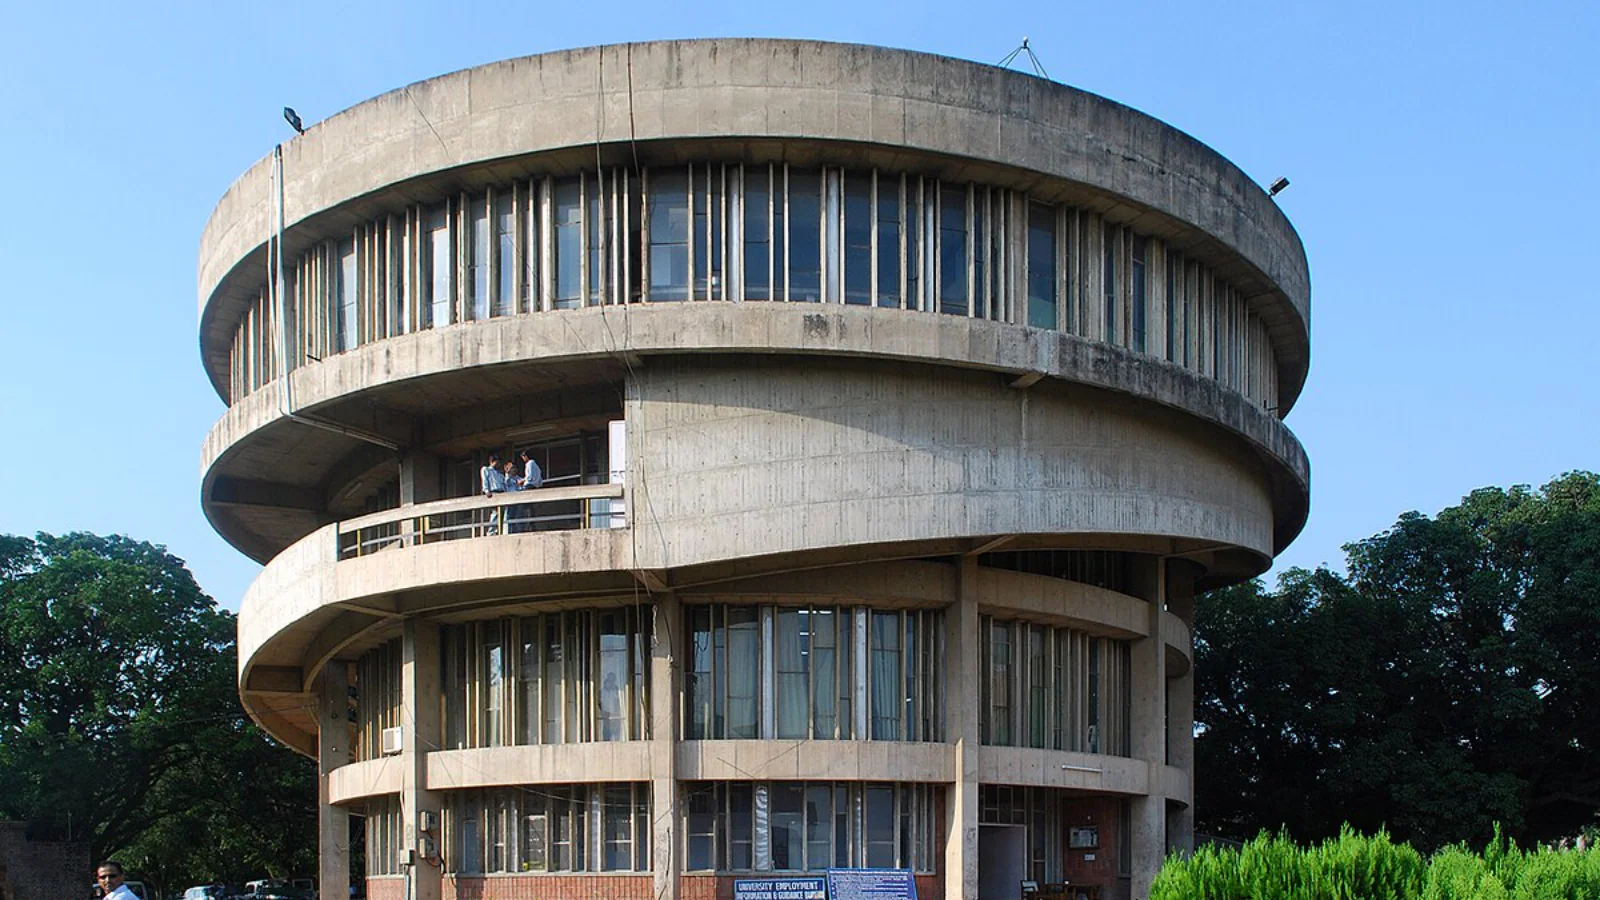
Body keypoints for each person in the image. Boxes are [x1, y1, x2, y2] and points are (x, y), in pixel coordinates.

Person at [480, 453, 506, 534]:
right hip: (493, 492)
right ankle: (491, 531)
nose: (498, 465)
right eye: (497, 463)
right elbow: (485, 480)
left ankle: (498, 531)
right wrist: (486, 490)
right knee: (495, 512)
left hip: (501, 493)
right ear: (491, 462)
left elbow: (503, 484)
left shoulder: (500, 474)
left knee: (502, 513)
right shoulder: (486, 469)